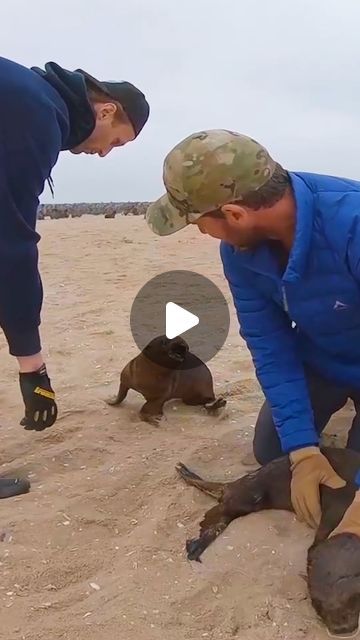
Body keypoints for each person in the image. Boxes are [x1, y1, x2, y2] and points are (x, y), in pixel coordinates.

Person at [146, 128, 360, 533]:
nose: (202, 233)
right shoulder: (239, 253)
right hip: (325, 357)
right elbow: (270, 344)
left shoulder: (351, 222)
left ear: (235, 214)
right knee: (273, 451)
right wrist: (301, 448)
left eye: (197, 223)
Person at [0, 56, 149, 497]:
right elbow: (12, 244)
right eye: (116, 142)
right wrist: (32, 365)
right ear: (105, 110)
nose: (104, 153)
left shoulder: (24, 90)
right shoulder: (36, 114)